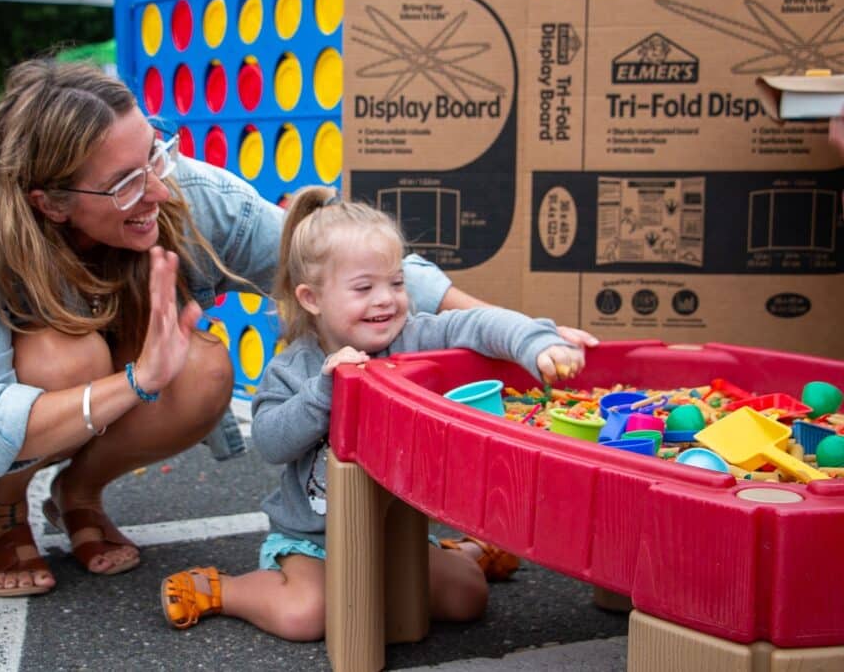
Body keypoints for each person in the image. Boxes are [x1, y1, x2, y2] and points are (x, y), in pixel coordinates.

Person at [0, 59, 594, 598]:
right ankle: (1, 509)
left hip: (101, 377)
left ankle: (79, 492)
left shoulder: (179, 189)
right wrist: (138, 379)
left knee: (206, 370)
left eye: (151, 152)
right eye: (121, 183)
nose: (153, 187)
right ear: (49, 203)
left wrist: (519, 330)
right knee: (65, 353)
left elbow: (326, 249)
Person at [159, 186, 586, 640]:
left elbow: (477, 324)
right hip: (315, 541)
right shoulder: (295, 367)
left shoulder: (414, 338)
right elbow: (268, 441)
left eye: (397, 283)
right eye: (364, 288)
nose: (386, 299)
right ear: (311, 298)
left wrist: (535, 342)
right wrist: (325, 391)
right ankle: (226, 588)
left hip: (397, 535)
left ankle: (461, 553)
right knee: (305, 616)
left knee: (467, 599)